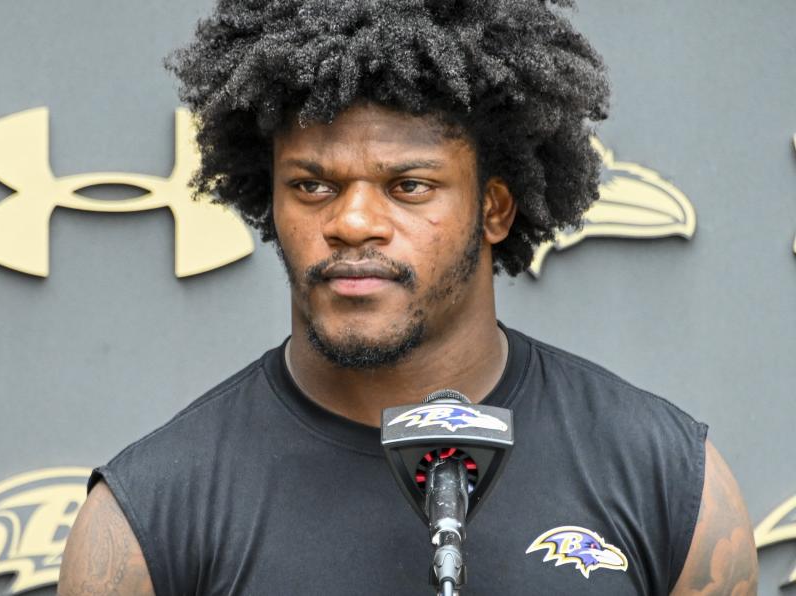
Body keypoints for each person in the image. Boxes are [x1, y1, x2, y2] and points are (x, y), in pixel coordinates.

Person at [59, 0, 757, 594]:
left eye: (408, 186)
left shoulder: (669, 478)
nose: (352, 223)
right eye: (312, 186)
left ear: (495, 208)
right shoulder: (149, 514)